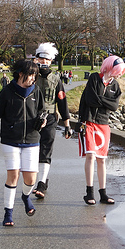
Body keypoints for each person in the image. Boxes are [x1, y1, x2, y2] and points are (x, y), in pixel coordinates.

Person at [0, 59, 46, 226]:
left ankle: (25, 197)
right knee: (13, 176)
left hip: (32, 140)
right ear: (20, 74)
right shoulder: (7, 92)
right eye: (31, 75)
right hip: (10, 140)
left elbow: (42, 111)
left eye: (35, 75)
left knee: (31, 179)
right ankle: (8, 213)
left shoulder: (37, 91)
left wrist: (43, 121)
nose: (33, 78)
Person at [78, 55, 125, 205]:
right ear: (110, 68)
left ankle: (103, 193)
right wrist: (106, 102)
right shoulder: (94, 78)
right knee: (90, 156)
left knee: (102, 160)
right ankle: (89, 192)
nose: (119, 75)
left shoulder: (115, 86)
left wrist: (100, 100)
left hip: (104, 124)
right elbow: (90, 100)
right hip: (89, 121)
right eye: (117, 71)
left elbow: (114, 106)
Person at [31, 43, 72, 199]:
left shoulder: (56, 79)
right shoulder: (30, 76)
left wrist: (67, 125)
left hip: (49, 118)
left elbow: (62, 102)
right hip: (32, 117)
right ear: (36, 58)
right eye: (42, 58)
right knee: (32, 151)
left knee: (46, 150)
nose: (44, 62)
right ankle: (37, 179)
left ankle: (41, 182)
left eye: (48, 59)